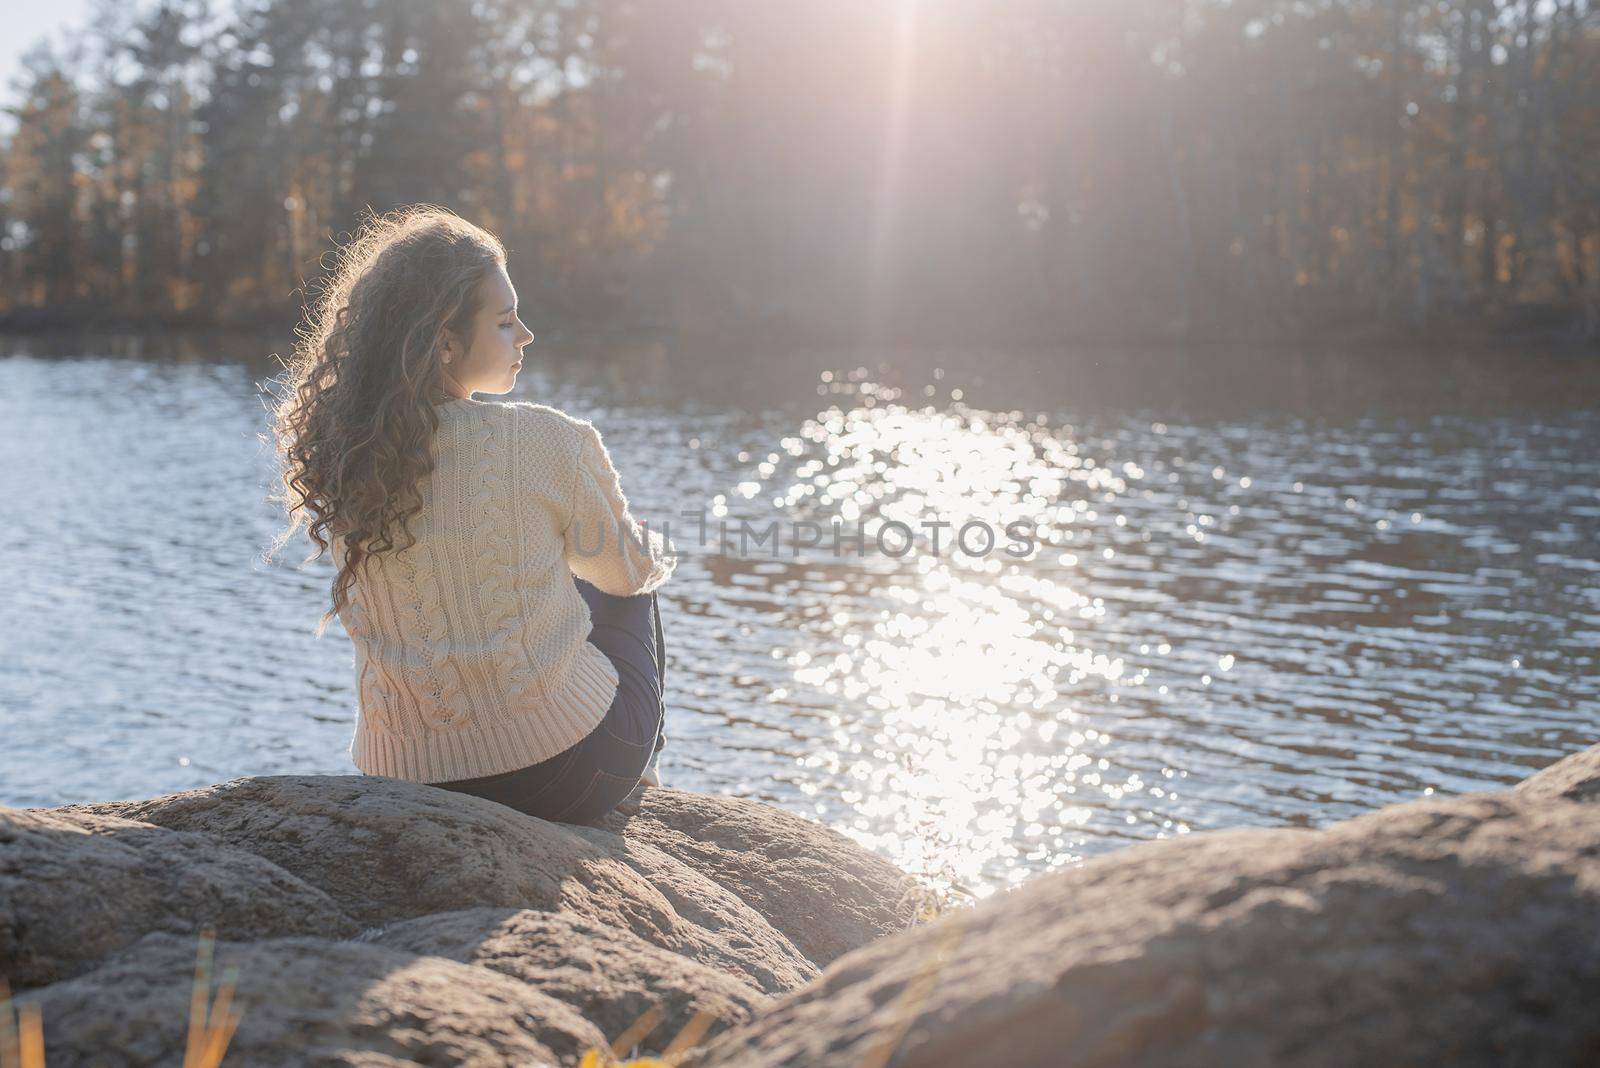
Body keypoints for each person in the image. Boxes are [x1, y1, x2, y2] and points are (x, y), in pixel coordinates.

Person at [265, 204, 676, 824]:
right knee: (632, 570)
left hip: (409, 783)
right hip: (567, 773)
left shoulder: (348, 454)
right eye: (506, 321)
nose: (526, 336)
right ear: (445, 340)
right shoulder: (547, 440)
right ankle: (641, 772)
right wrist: (650, 549)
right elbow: (624, 575)